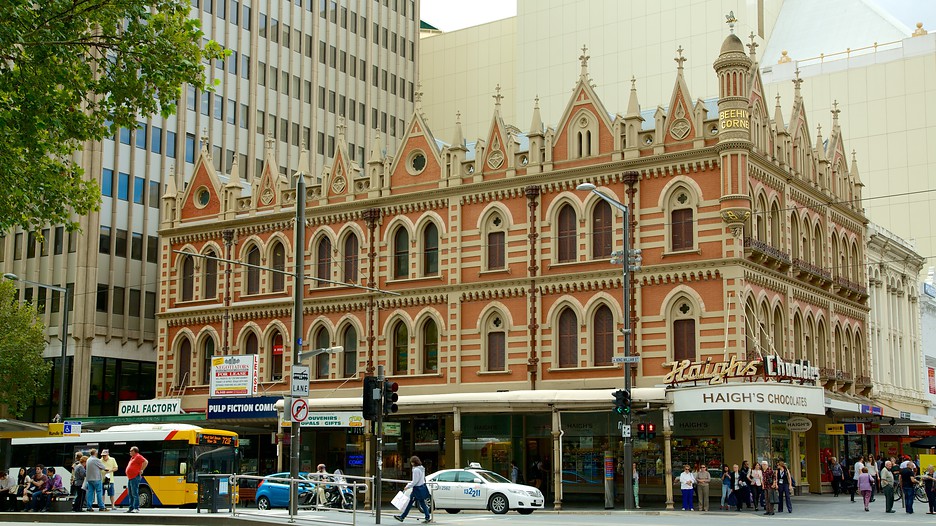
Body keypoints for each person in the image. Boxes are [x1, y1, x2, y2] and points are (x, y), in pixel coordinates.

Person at [394, 456, 431, 523]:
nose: (411, 464)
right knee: (422, 503)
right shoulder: (422, 468)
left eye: (411, 462)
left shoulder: (416, 470)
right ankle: (427, 517)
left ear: (414, 462)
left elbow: (415, 481)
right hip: (421, 487)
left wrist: (407, 486)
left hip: (417, 489)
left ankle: (402, 517)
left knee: (410, 503)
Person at [125, 446, 148, 513]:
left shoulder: (138, 456)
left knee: (134, 493)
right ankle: (131, 507)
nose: (130, 452)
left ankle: (136, 508)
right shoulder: (132, 458)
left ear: (134, 451)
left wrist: (142, 470)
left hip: (135, 477)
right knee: (130, 493)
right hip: (130, 477)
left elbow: (146, 461)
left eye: (131, 451)